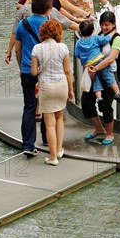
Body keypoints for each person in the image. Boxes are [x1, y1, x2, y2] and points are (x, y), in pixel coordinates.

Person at [14, 0, 53, 157]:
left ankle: (28, 144)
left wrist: (21, 66)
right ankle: (46, 138)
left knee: (29, 106)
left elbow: (18, 48)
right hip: (45, 71)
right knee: (46, 106)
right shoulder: (49, 25)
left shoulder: (23, 24)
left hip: (27, 70)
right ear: (48, 8)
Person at [31, 20, 74, 165]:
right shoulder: (63, 47)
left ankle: (53, 157)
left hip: (46, 87)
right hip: (61, 85)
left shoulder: (36, 48)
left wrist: (41, 70)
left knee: (49, 124)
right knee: (60, 118)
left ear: (42, 32)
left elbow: (33, 72)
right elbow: (68, 71)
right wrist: (71, 90)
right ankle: (60, 149)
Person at [5, 0, 80, 65]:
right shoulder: (50, 11)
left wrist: (9, 51)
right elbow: (69, 24)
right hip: (45, 61)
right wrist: (86, 30)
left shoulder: (22, 10)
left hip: (27, 62)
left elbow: (15, 33)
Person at [83, 11, 120, 146]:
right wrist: (89, 69)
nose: (104, 27)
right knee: (86, 102)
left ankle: (110, 133)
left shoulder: (117, 38)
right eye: (102, 25)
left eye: (107, 25)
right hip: (93, 74)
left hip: (108, 75)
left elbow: (111, 58)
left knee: (106, 105)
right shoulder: (98, 36)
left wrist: (96, 68)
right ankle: (99, 128)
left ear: (113, 24)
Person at [75, 20, 120, 103]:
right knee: (109, 77)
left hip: (90, 65)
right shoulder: (95, 38)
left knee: (96, 81)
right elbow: (106, 39)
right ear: (92, 31)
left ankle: (99, 98)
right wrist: (113, 32)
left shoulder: (78, 43)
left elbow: (77, 55)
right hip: (100, 61)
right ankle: (117, 92)